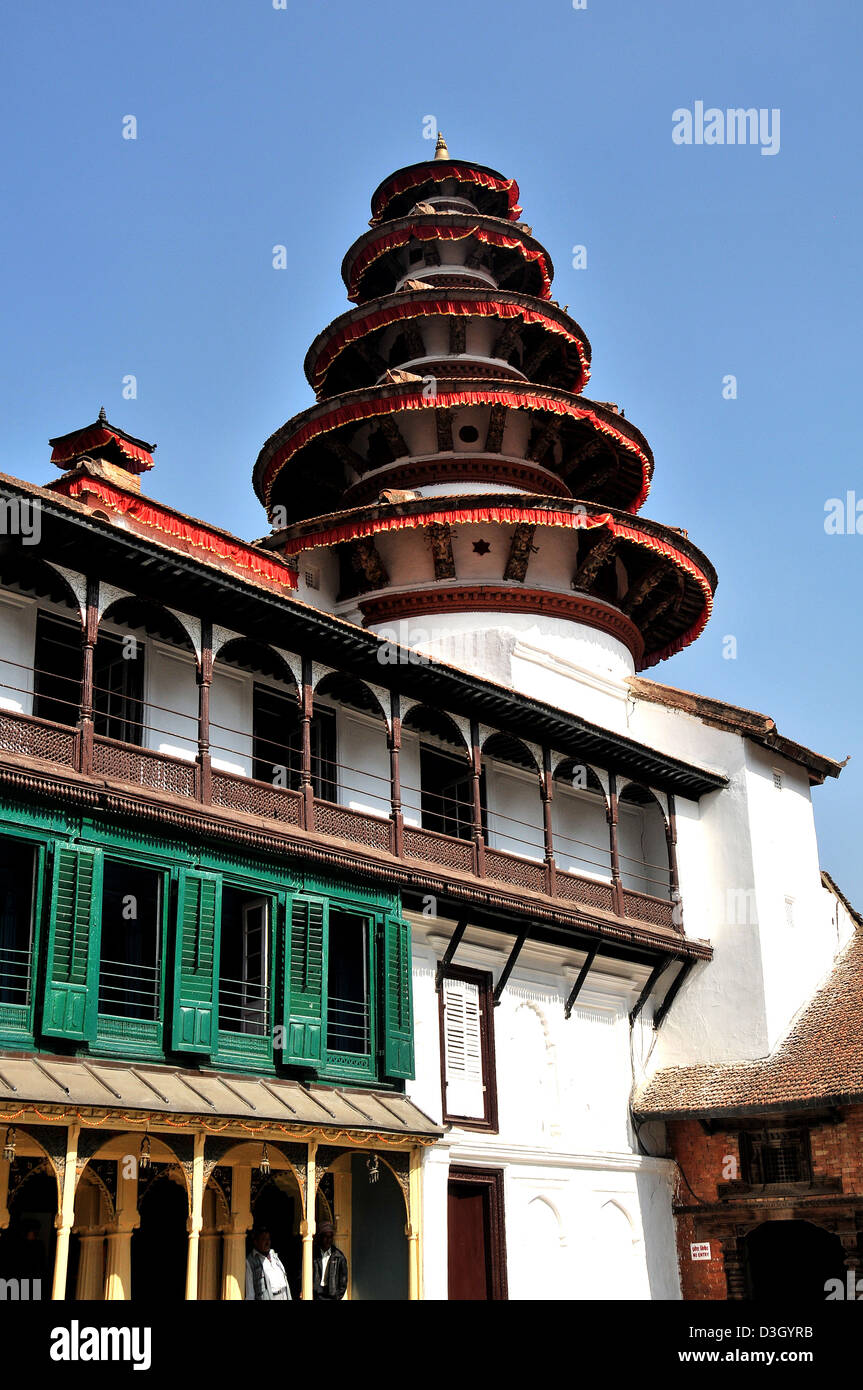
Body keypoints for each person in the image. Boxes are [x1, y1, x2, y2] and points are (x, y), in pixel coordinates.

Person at [245, 1224, 292, 1301]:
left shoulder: (274, 1255)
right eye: (263, 1239)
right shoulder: (250, 1261)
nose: (267, 1242)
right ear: (256, 1242)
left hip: (284, 1295)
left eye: (268, 1239)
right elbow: (250, 1292)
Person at [312, 1221, 348, 1301]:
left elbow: (343, 1282)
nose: (328, 1239)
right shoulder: (313, 1255)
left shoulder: (339, 1257)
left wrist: (337, 1297)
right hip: (316, 1295)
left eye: (331, 1236)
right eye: (326, 1236)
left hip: (332, 1296)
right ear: (321, 1237)